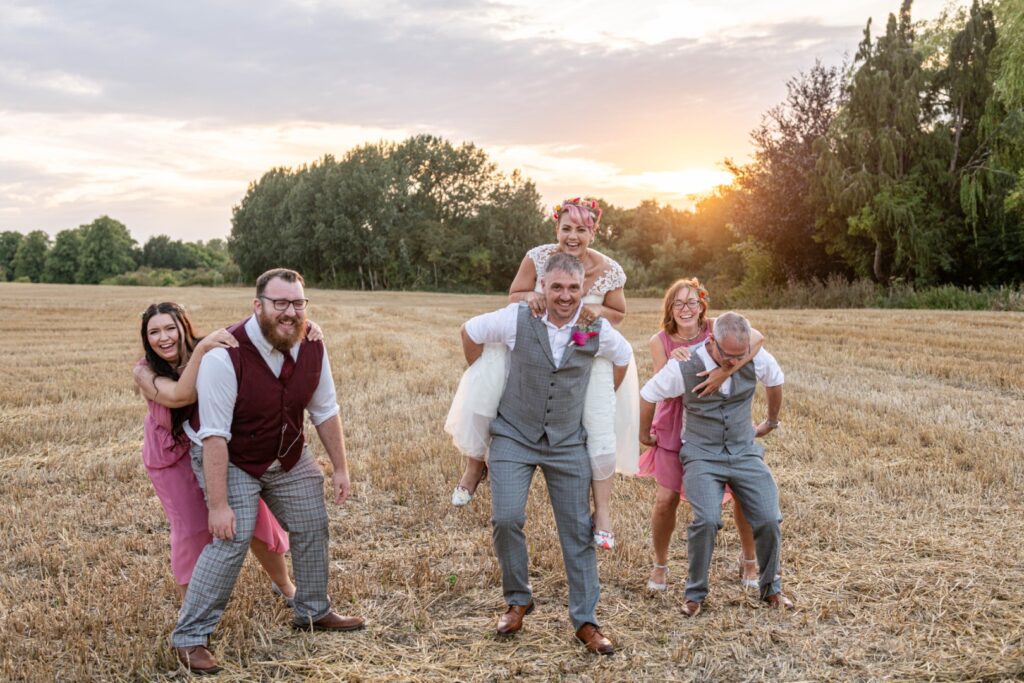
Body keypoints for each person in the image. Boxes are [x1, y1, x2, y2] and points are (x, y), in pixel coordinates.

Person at [170, 269, 363, 675]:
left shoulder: (312, 343)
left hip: (287, 453)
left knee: (313, 522)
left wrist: (341, 467)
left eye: (297, 303)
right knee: (231, 537)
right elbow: (215, 437)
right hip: (232, 456)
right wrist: (219, 505)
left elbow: (325, 409)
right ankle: (189, 638)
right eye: (280, 303)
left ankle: (312, 611)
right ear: (258, 305)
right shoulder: (225, 354)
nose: (290, 312)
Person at [459, 252, 633, 654]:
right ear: (544, 288)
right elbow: (469, 331)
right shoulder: (519, 317)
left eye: (573, 288)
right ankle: (518, 599)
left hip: (567, 441)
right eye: (556, 287)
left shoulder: (591, 327)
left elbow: (622, 359)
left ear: (583, 290)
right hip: (514, 435)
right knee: (505, 517)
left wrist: (598, 395)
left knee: (576, 531)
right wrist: (481, 378)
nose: (565, 296)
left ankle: (586, 621)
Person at [447, 197, 638, 550]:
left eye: (582, 229)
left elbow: (618, 313)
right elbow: (515, 294)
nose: (573, 236)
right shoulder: (537, 256)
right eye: (566, 228)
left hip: (584, 337)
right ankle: (475, 466)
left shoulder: (609, 269)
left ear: (593, 232)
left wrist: (590, 312)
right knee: (487, 391)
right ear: (557, 229)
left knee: (599, 424)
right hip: (533, 335)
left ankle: (604, 511)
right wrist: (529, 300)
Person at [133, 302, 298, 604]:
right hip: (171, 457)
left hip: (215, 446)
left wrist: (302, 327)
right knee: (193, 529)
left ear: (184, 326)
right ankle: (191, 613)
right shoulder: (144, 371)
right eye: (154, 332)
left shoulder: (211, 347)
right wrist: (202, 351)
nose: (164, 337)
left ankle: (286, 587)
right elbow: (181, 395)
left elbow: (253, 336)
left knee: (255, 517)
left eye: (170, 327)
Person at [639, 311, 793, 617]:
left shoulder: (753, 356)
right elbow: (648, 394)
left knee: (769, 517)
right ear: (712, 342)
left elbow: (775, 381)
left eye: (741, 355)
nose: (736, 362)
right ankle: (695, 594)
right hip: (701, 454)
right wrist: (645, 433)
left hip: (743, 451)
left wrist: (771, 421)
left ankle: (771, 588)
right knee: (706, 520)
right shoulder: (683, 365)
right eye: (729, 356)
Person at [639, 280, 765, 592]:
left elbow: (758, 338)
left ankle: (749, 559)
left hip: (717, 421)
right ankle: (660, 564)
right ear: (670, 308)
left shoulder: (716, 328)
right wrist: (675, 362)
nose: (685, 309)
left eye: (691, 302)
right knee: (666, 498)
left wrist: (725, 370)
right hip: (676, 423)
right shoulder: (660, 340)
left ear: (702, 305)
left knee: (741, 492)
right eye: (678, 303)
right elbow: (660, 387)